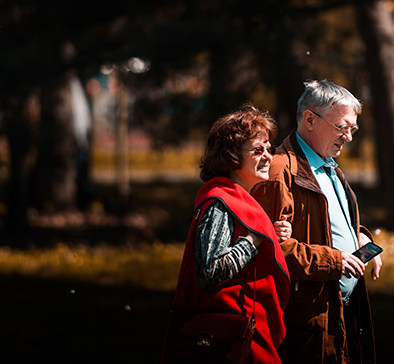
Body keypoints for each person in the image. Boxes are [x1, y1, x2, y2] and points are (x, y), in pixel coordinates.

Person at [251, 80, 382, 364]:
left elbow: (329, 221)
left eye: (352, 128)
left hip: (342, 312)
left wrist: (360, 237)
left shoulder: (328, 163)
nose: (348, 137)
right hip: (308, 323)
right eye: (341, 127)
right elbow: (271, 249)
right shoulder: (279, 170)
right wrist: (336, 260)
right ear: (310, 119)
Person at [162, 104, 292, 363]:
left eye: (269, 149)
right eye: (257, 150)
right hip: (228, 341)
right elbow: (209, 272)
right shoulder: (221, 201)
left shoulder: (239, 199)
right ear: (231, 155)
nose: (268, 156)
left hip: (241, 334)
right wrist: (255, 239)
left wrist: (269, 236)